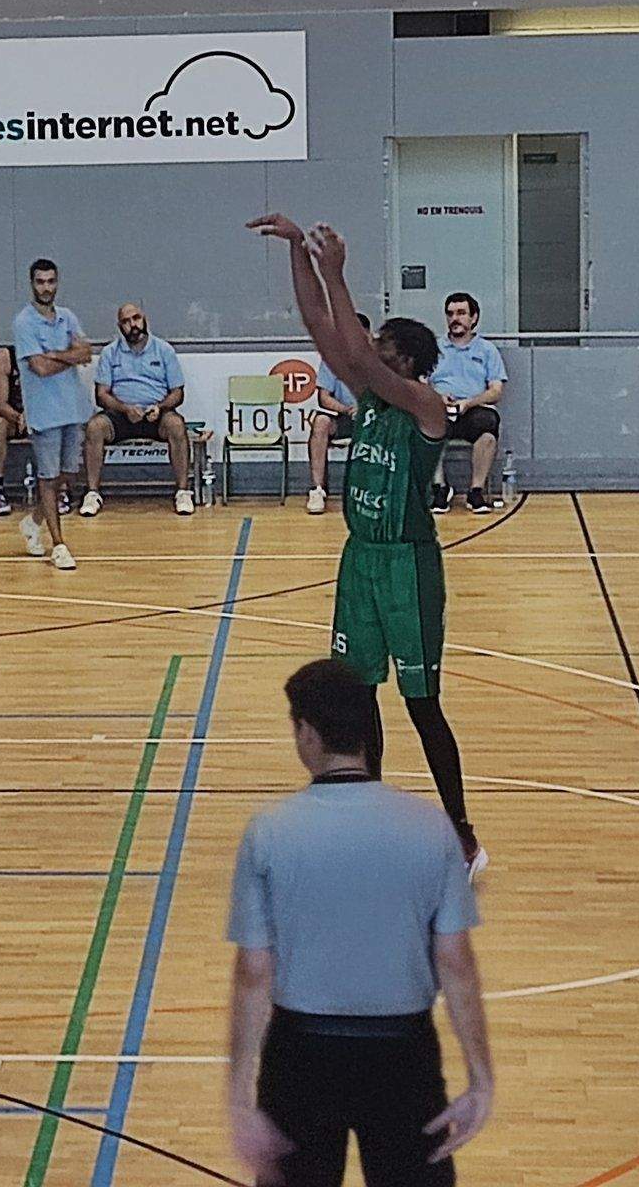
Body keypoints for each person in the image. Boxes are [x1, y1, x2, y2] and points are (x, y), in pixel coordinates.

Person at [249, 214, 483, 876]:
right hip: (362, 562)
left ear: (404, 361)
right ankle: (372, 821)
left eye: (380, 347)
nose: (364, 354)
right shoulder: (373, 399)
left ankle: (461, 832)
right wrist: (301, 252)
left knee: (421, 703)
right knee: (359, 696)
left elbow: (352, 348)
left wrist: (337, 269)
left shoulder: (425, 405)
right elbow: (324, 330)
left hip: (408, 566)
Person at [227, 660, 492, 1187]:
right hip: (402, 1055)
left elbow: (254, 973)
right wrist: (481, 1079)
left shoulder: (269, 833)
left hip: (300, 1055)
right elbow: (456, 963)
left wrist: (238, 1097)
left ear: (306, 733)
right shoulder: (429, 829)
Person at [12, 260, 93, 571]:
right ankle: (58, 545)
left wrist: (56, 354)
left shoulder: (67, 317)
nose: (46, 287)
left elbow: (85, 352)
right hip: (44, 413)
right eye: (40, 281)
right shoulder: (24, 323)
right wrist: (68, 357)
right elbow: (39, 368)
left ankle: (33, 522)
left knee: (68, 475)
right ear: (32, 284)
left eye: (51, 281)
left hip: (73, 408)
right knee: (47, 479)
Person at [81, 301, 194, 517]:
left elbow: (177, 393)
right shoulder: (110, 353)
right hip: (121, 415)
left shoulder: (164, 350)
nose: (132, 324)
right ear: (119, 326)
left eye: (136, 318)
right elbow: (101, 394)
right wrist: (125, 409)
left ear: (144, 320)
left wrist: (160, 408)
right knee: (95, 427)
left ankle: (182, 492)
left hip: (156, 414)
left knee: (176, 425)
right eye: (126, 321)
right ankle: (92, 493)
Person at [428, 294, 507, 515]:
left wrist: (469, 402)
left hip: (473, 409)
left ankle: (475, 491)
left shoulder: (487, 350)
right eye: (451, 314)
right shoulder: (433, 349)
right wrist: (437, 398)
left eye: (461, 313)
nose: (455, 319)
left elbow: (495, 391)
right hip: (441, 409)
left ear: (474, 318)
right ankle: (440, 488)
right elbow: (420, 384)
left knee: (488, 426)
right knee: (424, 423)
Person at [307, 315, 371, 516]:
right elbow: (323, 397)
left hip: (374, 418)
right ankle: (317, 490)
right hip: (346, 415)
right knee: (320, 422)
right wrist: (347, 409)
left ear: (368, 335)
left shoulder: (382, 359)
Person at [0, 346, 26, 518]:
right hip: (15, 418)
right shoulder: (6, 356)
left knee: (61, 422)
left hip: (43, 416)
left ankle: (61, 491)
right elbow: (1, 404)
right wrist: (18, 417)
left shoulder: (50, 354)